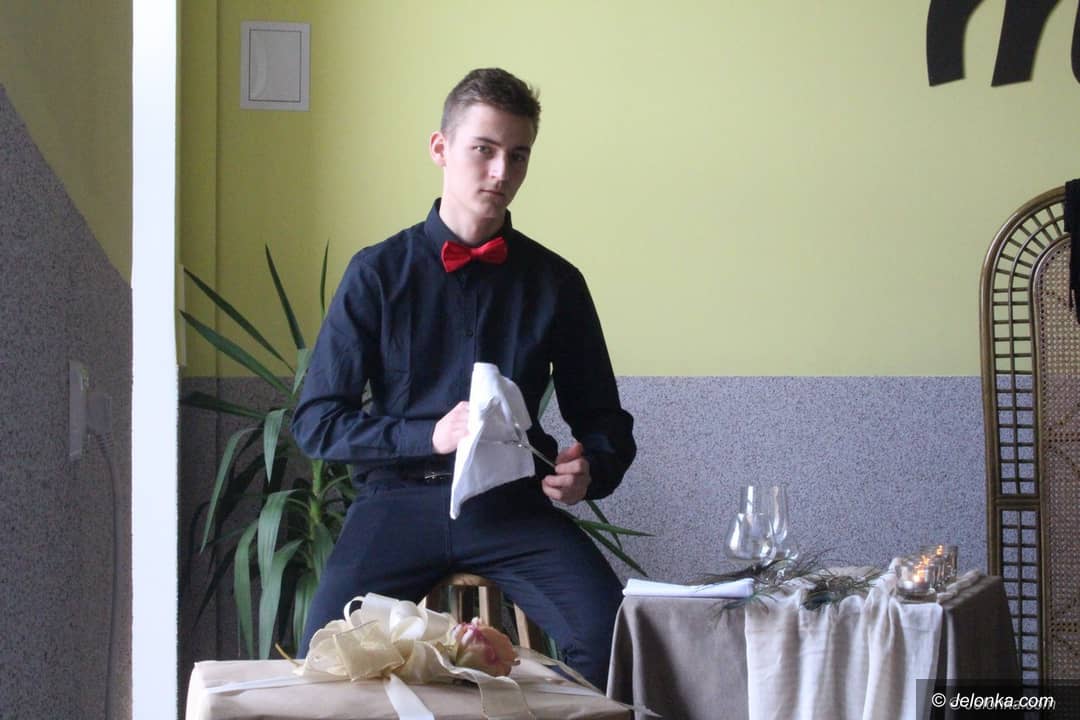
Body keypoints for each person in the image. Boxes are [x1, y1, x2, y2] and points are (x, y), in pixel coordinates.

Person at [291, 67, 636, 689]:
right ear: (441, 148)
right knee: (325, 655)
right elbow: (317, 422)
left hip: (511, 507)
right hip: (396, 503)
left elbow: (605, 420)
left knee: (615, 639)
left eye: (518, 155)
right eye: (484, 149)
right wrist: (428, 435)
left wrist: (592, 470)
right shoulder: (376, 273)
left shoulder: (557, 283)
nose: (501, 171)